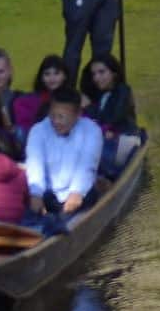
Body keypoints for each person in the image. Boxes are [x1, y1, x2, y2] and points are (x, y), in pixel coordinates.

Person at [24, 86, 106, 229]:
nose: (56, 121)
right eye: (53, 115)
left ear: (78, 114)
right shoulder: (38, 130)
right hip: (47, 194)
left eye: (62, 117)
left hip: (79, 192)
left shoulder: (92, 131)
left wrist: (76, 193)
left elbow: (87, 165)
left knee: (64, 223)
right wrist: (36, 194)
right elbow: (35, 164)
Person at [81, 52, 141, 166]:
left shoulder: (123, 91)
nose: (97, 78)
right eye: (94, 74)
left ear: (114, 73)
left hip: (124, 139)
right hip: (106, 140)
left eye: (101, 72)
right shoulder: (99, 94)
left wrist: (89, 107)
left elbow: (111, 118)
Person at [11, 53, 69, 132]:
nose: (52, 78)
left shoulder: (73, 98)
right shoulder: (33, 99)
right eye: (47, 74)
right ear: (41, 77)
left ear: (65, 76)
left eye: (56, 73)